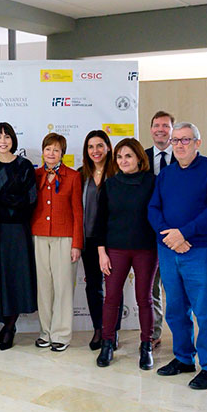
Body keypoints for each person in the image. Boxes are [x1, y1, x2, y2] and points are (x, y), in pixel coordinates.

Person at [148, 121, 207, 390]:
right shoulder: (166, 174)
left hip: (199, 250)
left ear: (197, 143)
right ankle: (183, 358)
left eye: (186, 140)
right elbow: (153, 208)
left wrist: (184, 233)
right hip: (169, 249)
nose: (180, 145)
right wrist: (169, 235)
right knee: (176, 310)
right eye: (176, 140)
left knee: (204, 312)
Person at [93, 138, 157, 369]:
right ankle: (108, 343)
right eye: (119, 157)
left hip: (145, 249)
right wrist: (102, 252)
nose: (123, 161)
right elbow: (99, 221)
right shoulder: (110, 184)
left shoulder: (152, 182)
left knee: (144, 298)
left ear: (139, 158)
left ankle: (146, 345)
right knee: (111, 298)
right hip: (115, 249)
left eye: (128, 156)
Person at [0, 122, 37, 350]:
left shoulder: (24, 166)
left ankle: (10, 327)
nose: (3, 141)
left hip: (17, 231)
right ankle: (3, 326)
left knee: (15, 279)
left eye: (7, 136)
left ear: (13, 140)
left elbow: (29, 200)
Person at [30, 133, 82, 352]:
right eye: (48, 149)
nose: (51, 154)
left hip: (65, 237)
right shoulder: (35, 174)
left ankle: (61, 334)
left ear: (63, 153)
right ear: (43, 151)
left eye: (56, 150)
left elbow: (78, 212)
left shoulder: (72, 176)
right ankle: (46, 332)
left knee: (62, 287)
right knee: (44, 287)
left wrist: (76, 243)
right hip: (39, 235)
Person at [78, 129, 118, 351]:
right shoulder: (81, 174)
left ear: (108, 147)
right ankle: (98, 329)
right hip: (88, 240)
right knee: (93, 286)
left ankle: (112, 332)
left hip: (113, 241)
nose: (95, 151)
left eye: (100, 146)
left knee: (113, 288)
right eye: (91, 147)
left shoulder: (117, 173)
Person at [145, 110, 175, 347]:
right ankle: (154, 334)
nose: (160, 129)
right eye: (156, 125)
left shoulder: (186, 157)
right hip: (146, 235)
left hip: (177, 236)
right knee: (151, 288)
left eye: (165, 125)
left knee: (176, 290)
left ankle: (182, 340)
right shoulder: (141, 158)